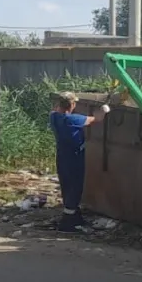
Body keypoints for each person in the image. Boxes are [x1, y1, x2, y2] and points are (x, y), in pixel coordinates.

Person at [49, 93, 109, 232]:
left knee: (66, 185)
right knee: (75, 187)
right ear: (72, 105)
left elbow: (56, 110)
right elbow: (97, 119)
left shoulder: (53, 117)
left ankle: (74, 216)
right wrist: (104, 110)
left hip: (62, 156)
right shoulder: (73, 119)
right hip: (74, 157)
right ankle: (68, 222)